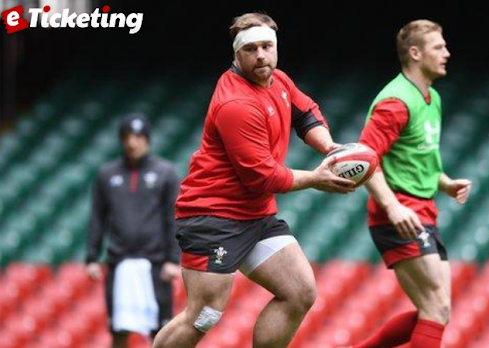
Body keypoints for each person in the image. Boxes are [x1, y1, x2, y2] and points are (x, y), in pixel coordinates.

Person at [152, 13, 356, 348]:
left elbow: (305, 113)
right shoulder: (236, 103)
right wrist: (318, 179)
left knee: (299, 292)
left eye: (266, 46)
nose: (260, 54)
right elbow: (262, 176)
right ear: (236, 54)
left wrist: (330, 147)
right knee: (204, 315)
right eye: (250, 49)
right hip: (213, 217)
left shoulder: (279, 81)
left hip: (254, 216)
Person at [342, 20, 472, 348]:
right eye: (438, 47)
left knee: (436, 309)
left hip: (423, 211)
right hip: (399, 214)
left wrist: (445, 184)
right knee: (436, 308)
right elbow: (362, 161)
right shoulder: (395, 102)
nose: (447, 53)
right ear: (415, 53)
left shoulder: (432, 98)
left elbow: (421, 160)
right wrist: (392, 205)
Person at [86, 113, 181, 348]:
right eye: (127, 136)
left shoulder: (165, 172)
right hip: (119, 263)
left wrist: (174, 259)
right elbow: (98, 217)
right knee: (119, 330)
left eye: (138, 136)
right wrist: (91, 257)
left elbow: (174, 218)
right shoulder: (106, 175)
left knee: (160, 331)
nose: (132, 142)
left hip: (156, 264)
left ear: (147, 139)